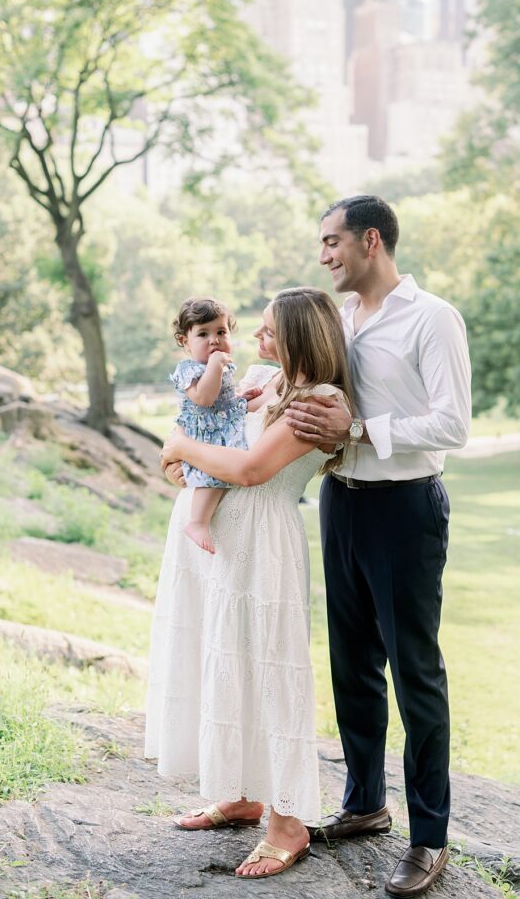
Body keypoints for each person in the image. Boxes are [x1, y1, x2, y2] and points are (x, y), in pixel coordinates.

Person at [285, 195, 472, 898]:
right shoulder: (338, 320)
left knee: (413, 672)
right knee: (350, 663)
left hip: (405, 509)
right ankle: (364, 803)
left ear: (370, 240)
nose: (324, 255)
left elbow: (451, 423)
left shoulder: (432, 318)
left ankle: (428, 838)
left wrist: (359, 429)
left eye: (331, 242)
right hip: (342, 503)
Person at [146, 287, 353, 880]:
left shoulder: (321, 400)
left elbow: (249, 468)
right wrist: (189, 458)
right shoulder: (264, 378)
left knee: (266, 666)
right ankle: (241, 789)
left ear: (298, 336)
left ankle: (288, 823)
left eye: (266, 331)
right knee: (225, 659)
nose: (251, 342)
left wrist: (183, 446)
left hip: (261, 544)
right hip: (217, 543)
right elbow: (202, 438)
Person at [169, 297, 260, 554]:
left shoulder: (216, 367)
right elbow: (204, 398)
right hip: (204, 432)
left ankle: (202, 520)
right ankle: (197, 522)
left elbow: (222, 401)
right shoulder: (189, 369)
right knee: (212, 476)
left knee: (220, 473)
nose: (214, 340)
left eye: (221, 332)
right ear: (185, 342)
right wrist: (215, 366)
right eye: (203, 334)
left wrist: (241, 398)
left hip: (218, 423)